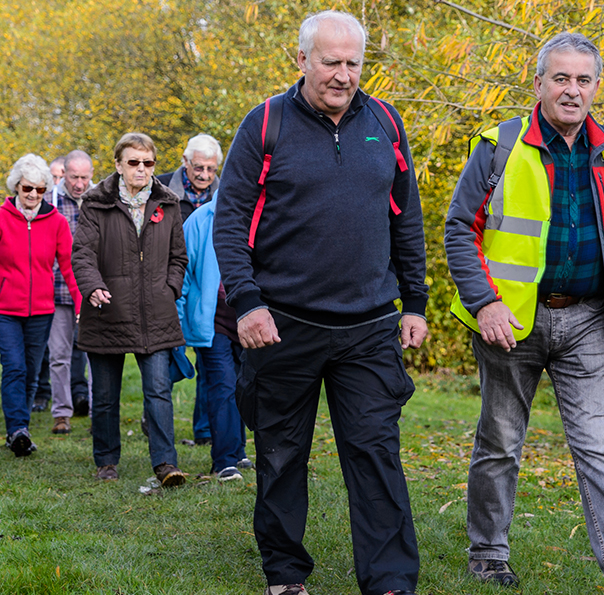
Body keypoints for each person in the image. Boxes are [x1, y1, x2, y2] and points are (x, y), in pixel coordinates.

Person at [443, 32, 604, 595]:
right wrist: (485, 302)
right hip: (511, 322)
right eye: (560, 78)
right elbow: (458, 228)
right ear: (538, 82)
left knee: (598, 443)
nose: (572, 90)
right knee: (500, 441)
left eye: (583, 80)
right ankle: (489, 554)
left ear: (596, 86)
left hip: (591, 321)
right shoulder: (497, 145)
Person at [213, 11, 428, 595]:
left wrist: (416, 302)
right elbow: (230, 223)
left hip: (369, 328)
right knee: (281, 458)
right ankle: (285, 576)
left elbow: (406, 219)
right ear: (301, 59)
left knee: (376, 456)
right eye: (330, 61)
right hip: (282, 326)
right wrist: (249, 302)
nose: (342, 74)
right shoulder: (266, 125)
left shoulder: (385, 122)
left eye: (353, 62)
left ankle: (389, 582)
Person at [73, 132, 189, 487]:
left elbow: (178, 257)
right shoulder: (95, 203)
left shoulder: (168, 204)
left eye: (148, 163)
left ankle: (166, 463)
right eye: (134, 162)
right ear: (119, 165)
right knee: (105, 396)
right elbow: (82, 254)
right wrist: (92, 287)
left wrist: (168, 289)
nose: (142, 169)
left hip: (156, 314)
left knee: (158, 392)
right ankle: (106, 462)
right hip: (107, 312)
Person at [0, 154, 81, 456]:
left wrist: (81, 303)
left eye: (40, 190)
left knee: (29, 371)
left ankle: (20, 430)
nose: (33, 195)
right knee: (13, 367)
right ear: (16, 186)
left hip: (41, 310)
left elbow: (69, 267)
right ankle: (16, 429)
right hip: (4, 310)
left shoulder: (56, 222)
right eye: (28, 188)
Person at [157, 133, 223, 446]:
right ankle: (155, 412)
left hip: (207, 285)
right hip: (166, 280)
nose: (205, 175)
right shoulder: (163, 191)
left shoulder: (226, 195)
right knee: (166, 355)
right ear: (185, 162)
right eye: (199, 168)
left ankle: (206, 429)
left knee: (212, 361)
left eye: (211, 169)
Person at [177, 191, 248, 481]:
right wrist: (179, 319)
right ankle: (224, 461)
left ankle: (239, 451)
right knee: (222, 385)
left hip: (249, 316)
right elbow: (182, 272)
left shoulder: (260, 213)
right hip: (212, 318)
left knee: (245, 386)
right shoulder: (200, 219)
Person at [45, 150, 95, 434]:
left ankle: (96, 412)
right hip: (59, 290)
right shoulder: (50, 201)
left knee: (94, 355)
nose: (79, 183)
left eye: (84, 177)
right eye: (74, 177)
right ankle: (61, 413)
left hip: (92, 290)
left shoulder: (99, 198)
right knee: (59, 355)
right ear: (63, 174)